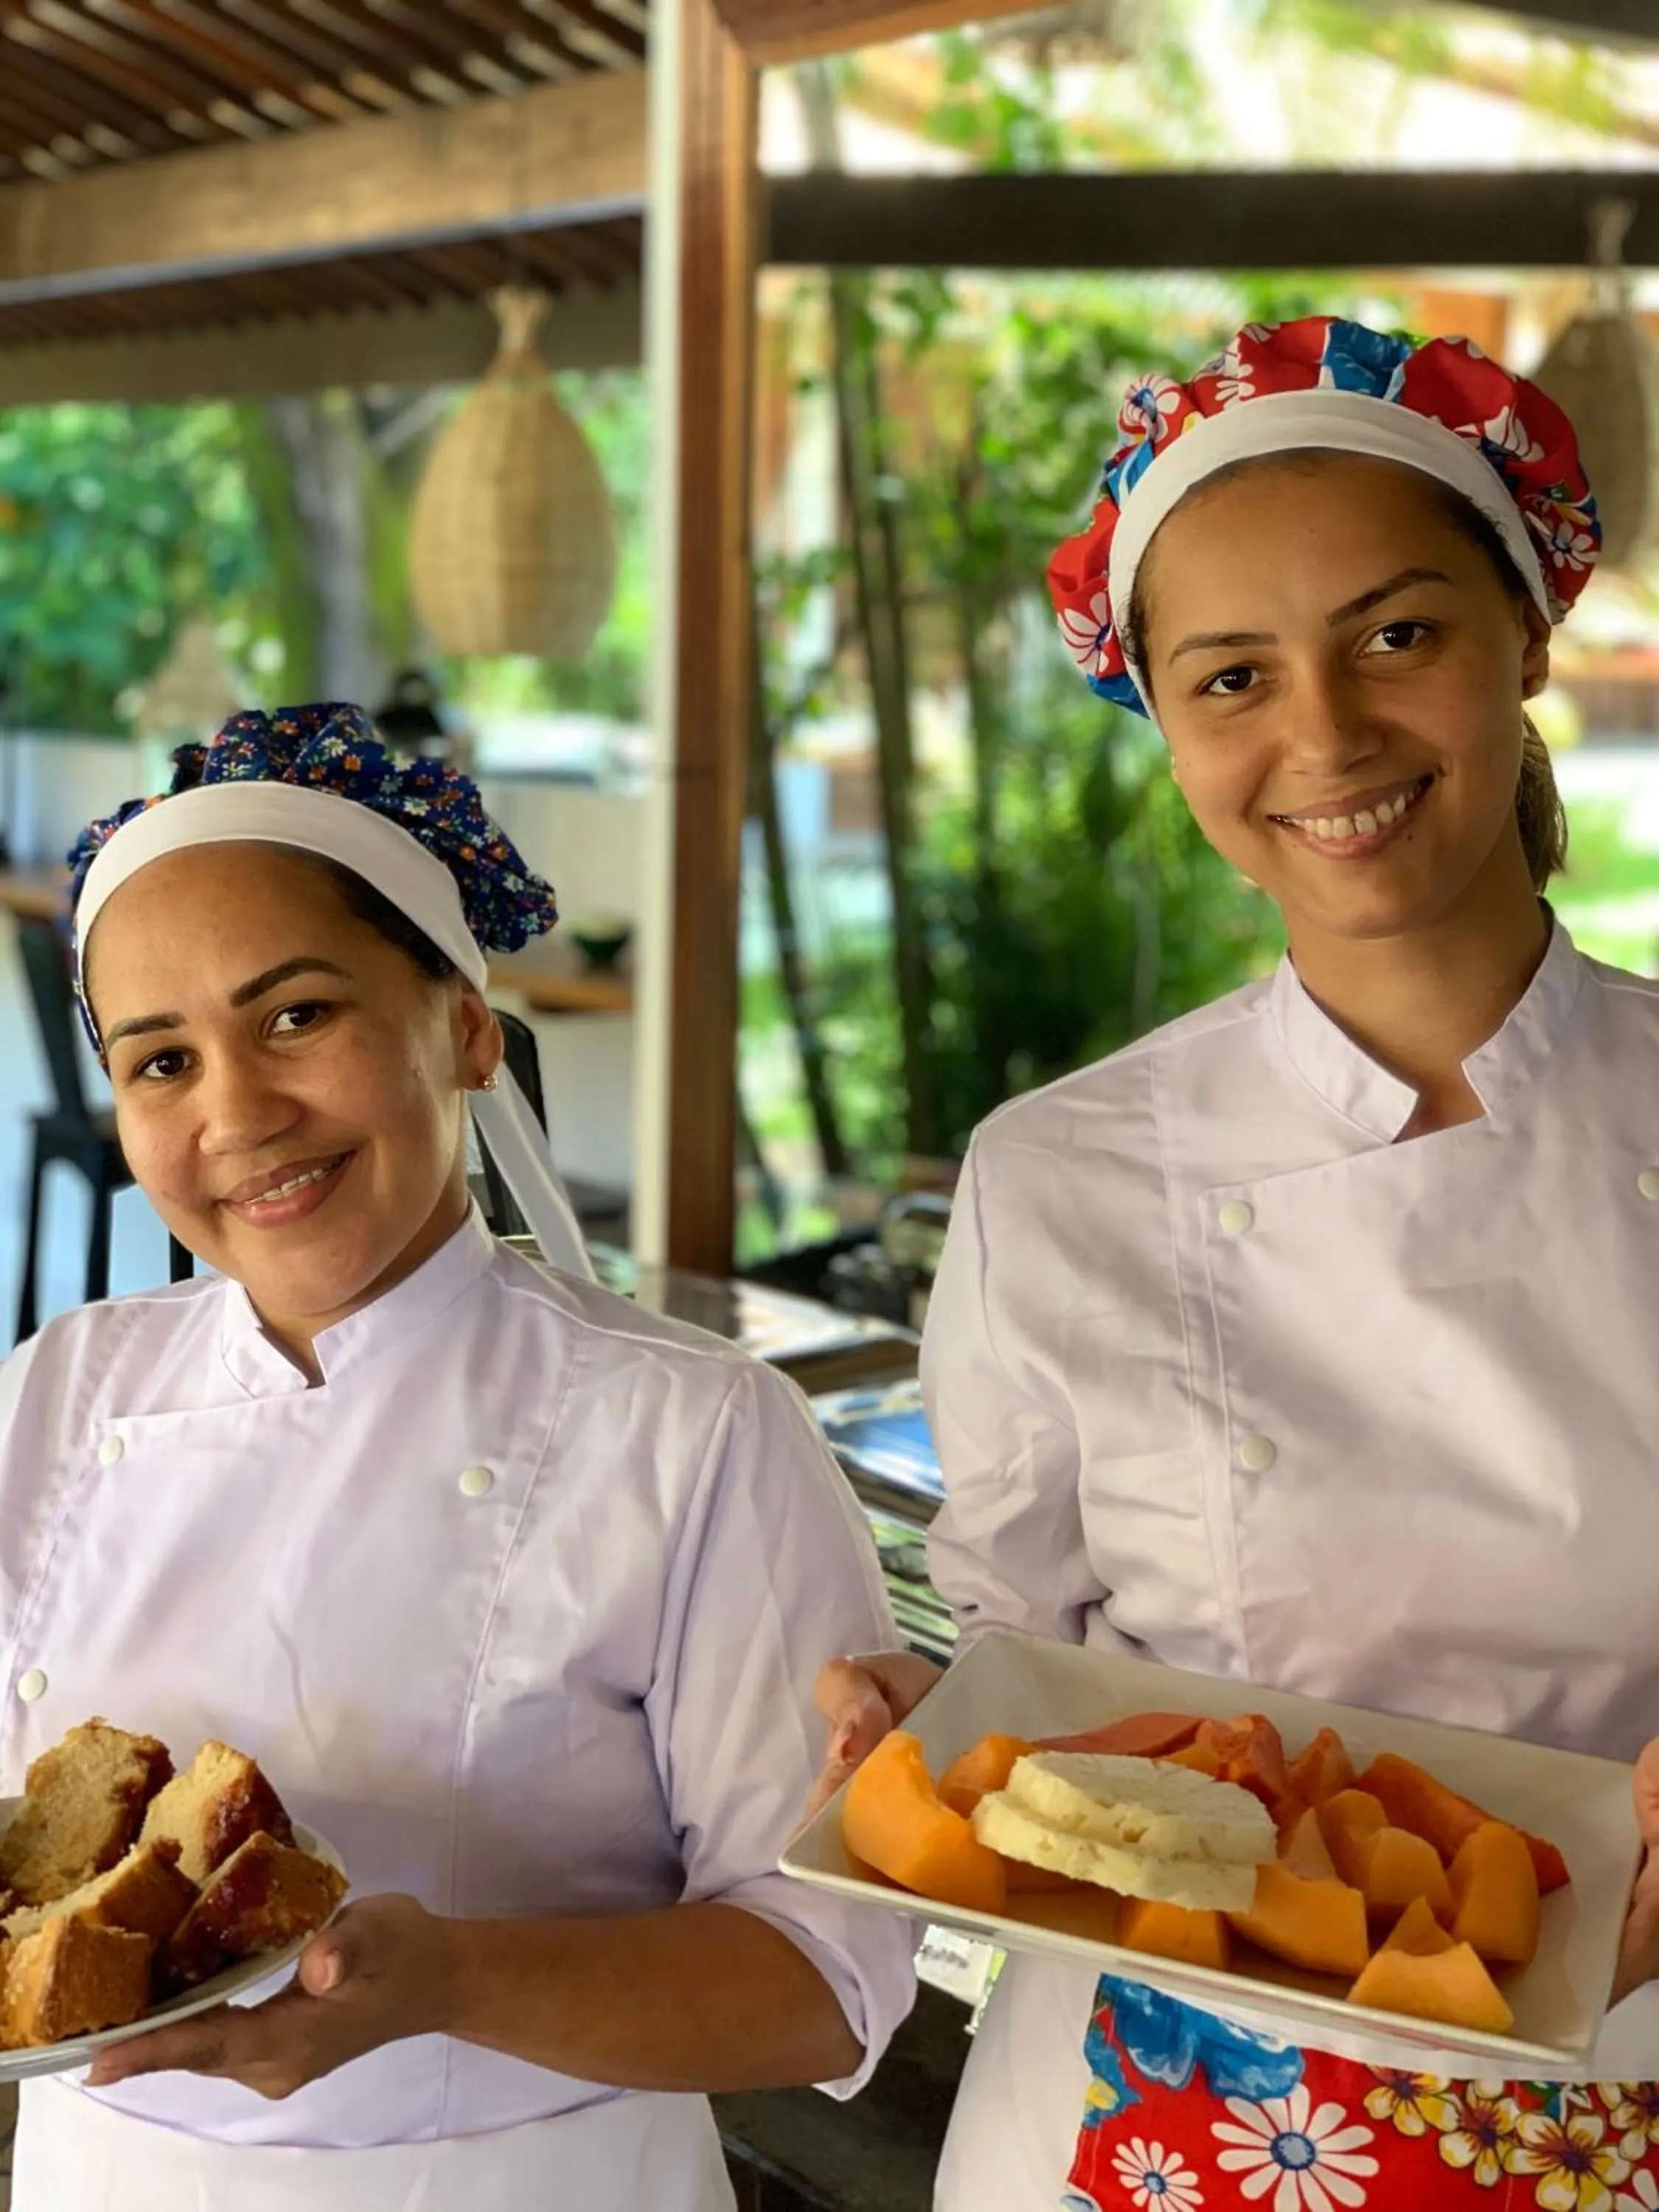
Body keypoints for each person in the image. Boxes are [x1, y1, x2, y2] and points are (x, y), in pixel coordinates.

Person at [812, 316, 1659, 2211]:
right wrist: (918, 1736)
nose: (1326, 735)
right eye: (1232, 677)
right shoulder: (1063, 1176)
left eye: (1399, 634)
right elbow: (1020, 1659)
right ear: (1166, 723)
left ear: (1525, 636)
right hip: (1150, 2107)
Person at [0, 703, 914, 2211]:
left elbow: (825, 1978)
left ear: (468, 1026)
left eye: (298, 1016)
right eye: (162, 1061)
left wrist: (447, 1984)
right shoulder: (58, 1389)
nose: (239, 1111)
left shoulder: (691, 1429)